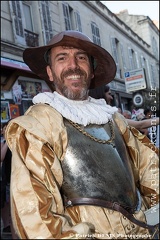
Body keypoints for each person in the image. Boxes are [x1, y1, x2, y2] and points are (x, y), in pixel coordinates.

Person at [5, 31, 159, 239]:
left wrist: (153, 217)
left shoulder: (115, 120)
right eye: (62, 58)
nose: (73, 65)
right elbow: (36, 218)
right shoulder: (38, 126)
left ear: (92, 70)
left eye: (81, 57)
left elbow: (149, 169)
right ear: (50, 72)